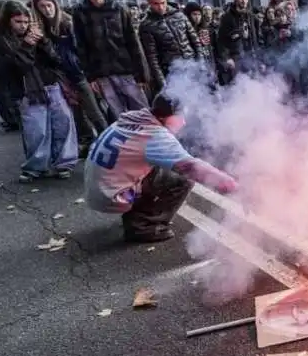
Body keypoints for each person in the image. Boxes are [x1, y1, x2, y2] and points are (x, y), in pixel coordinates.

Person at [83, 92, 238, 243]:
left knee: (160, 169)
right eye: (180, 116)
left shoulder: (132, 120)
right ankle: (144, 226)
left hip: (98, 189)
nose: (183, 122)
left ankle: (136, 215)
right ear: (164, 117)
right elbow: (191, 167)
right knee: (182, 179)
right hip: (112, 196)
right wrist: (230, 185)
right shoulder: (155, 136)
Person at [0, 1, 78, 182]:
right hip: (26, 88)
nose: (23, 26)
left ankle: (64, 163)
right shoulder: (0, 39)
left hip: (50, 82)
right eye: (18, 22)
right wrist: (27, 44)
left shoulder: (35, 33)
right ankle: (37, 166)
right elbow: (19, 65)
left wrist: (44, 42)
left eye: (25, 21)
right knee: (37, 129)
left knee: (62, 123)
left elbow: (55, 59)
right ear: (8, 22)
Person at [33, 0, 109, 157]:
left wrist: (88, 72)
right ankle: (87, 141)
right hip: (59, 76)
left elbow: (81, 49)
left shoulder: (68, 22)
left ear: (55, 4)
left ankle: (108, 142)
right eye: (42, 7)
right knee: (75, 113)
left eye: (49, 5)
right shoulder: (39, 29)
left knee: (93, 111)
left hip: (77, 73)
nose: (47, 10)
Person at [72, 0, 150, 120]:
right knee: (120, 117)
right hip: (102, 73)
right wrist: (91, 77)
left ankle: (150, 142)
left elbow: (133, 41)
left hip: (126, 69)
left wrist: (141, 74)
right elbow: (81, 47)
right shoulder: (80, 12)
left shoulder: (119, 8)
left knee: (143, 113)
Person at [137, 0, 201, 95]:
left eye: (163, 3)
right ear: (149, 2)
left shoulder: (179, 15)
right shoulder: (146, 25)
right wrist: (164, 85)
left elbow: (195, 42)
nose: (161, 7)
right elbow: (153, 59)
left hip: (192, 66)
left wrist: (201, 64)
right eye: (156, 4)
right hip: (173, 74)